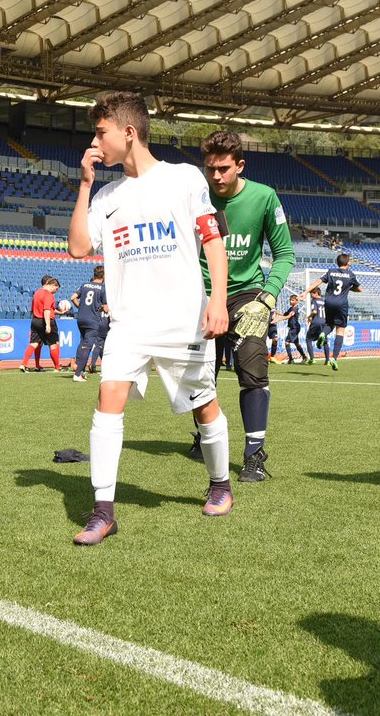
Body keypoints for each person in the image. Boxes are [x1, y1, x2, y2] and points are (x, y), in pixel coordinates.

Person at [67, 91, 231, 547]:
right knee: (107, 400)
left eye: (101, 132)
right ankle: (103, 511)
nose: (96, 141)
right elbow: (79, 248)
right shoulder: (105, 195)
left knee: (204, 405)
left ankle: (220, 485)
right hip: (129, 324)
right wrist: (83, 184)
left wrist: (217, 300)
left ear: (129, 132)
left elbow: (213, 242)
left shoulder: (184, 179)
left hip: (185, 320)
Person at [189, 131, 295, 484]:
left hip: (246, 296)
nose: (216, 176)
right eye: (210, 169)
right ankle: (205, 436)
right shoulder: (194, 197)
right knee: (200, 377)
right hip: (199, 295)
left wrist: (267, 297)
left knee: (253, 370)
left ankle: (254, 455)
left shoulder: (264, 197)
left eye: (223, 168)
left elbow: (284, 255)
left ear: (240, 165)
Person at [297, 253, 361, 371]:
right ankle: (334, 358)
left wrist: (306, 292)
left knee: (329, 324)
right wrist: (349, 287)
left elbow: (318, 282)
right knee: (340, 330)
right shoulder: (350, 275)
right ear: (347, 263)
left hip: (329, 302)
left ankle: (323, 334)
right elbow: (360, 289)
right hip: (341, 305)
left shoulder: (330, 271)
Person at [71, 265, 107, 382]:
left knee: (82, 343)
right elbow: (106, 309)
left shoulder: (85, 285)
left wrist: (81, 307)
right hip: (92, 320)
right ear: (104, 276)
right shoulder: (102, 288)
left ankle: (80, 370)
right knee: (87, 347)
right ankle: (77, 374)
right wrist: (100, 307)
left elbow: (73, 297)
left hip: (81, 318)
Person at [21, 277, 61, 372]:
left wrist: (60, 312)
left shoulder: (37, 293)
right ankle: (57, 367)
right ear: (52, 285)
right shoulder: (48, 295)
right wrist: (47, 325)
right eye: (56, 289)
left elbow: (35, 308)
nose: (55, 291)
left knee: (34, 343)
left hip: (35, 320)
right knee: (53, 344)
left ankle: (24, 364)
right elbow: (46, 310)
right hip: (46, 320)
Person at [276, 294, 308, 364]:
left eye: (292, 300)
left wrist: (278, 319)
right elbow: (285, 314)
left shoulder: (295, 308)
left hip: (294, 327)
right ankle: (304, 357)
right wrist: (278, 313)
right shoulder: (291, 308)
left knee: (287, 342)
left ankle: (291, 359)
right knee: (297, 344)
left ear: (297, 301)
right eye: (290, 300)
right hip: (294, 327)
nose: (290, 301)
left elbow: (289, 316)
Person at [305, 287, 329, 364]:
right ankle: (327, 361)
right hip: (324, 322)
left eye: (312, 293)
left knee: (308, 339)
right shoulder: (325, 301)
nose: (311, 295)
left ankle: (312, 359)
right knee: (325, 342)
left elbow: (315, 311)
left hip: (316, 322)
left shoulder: (314, 301)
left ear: (316, 293)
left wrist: (308, 317)